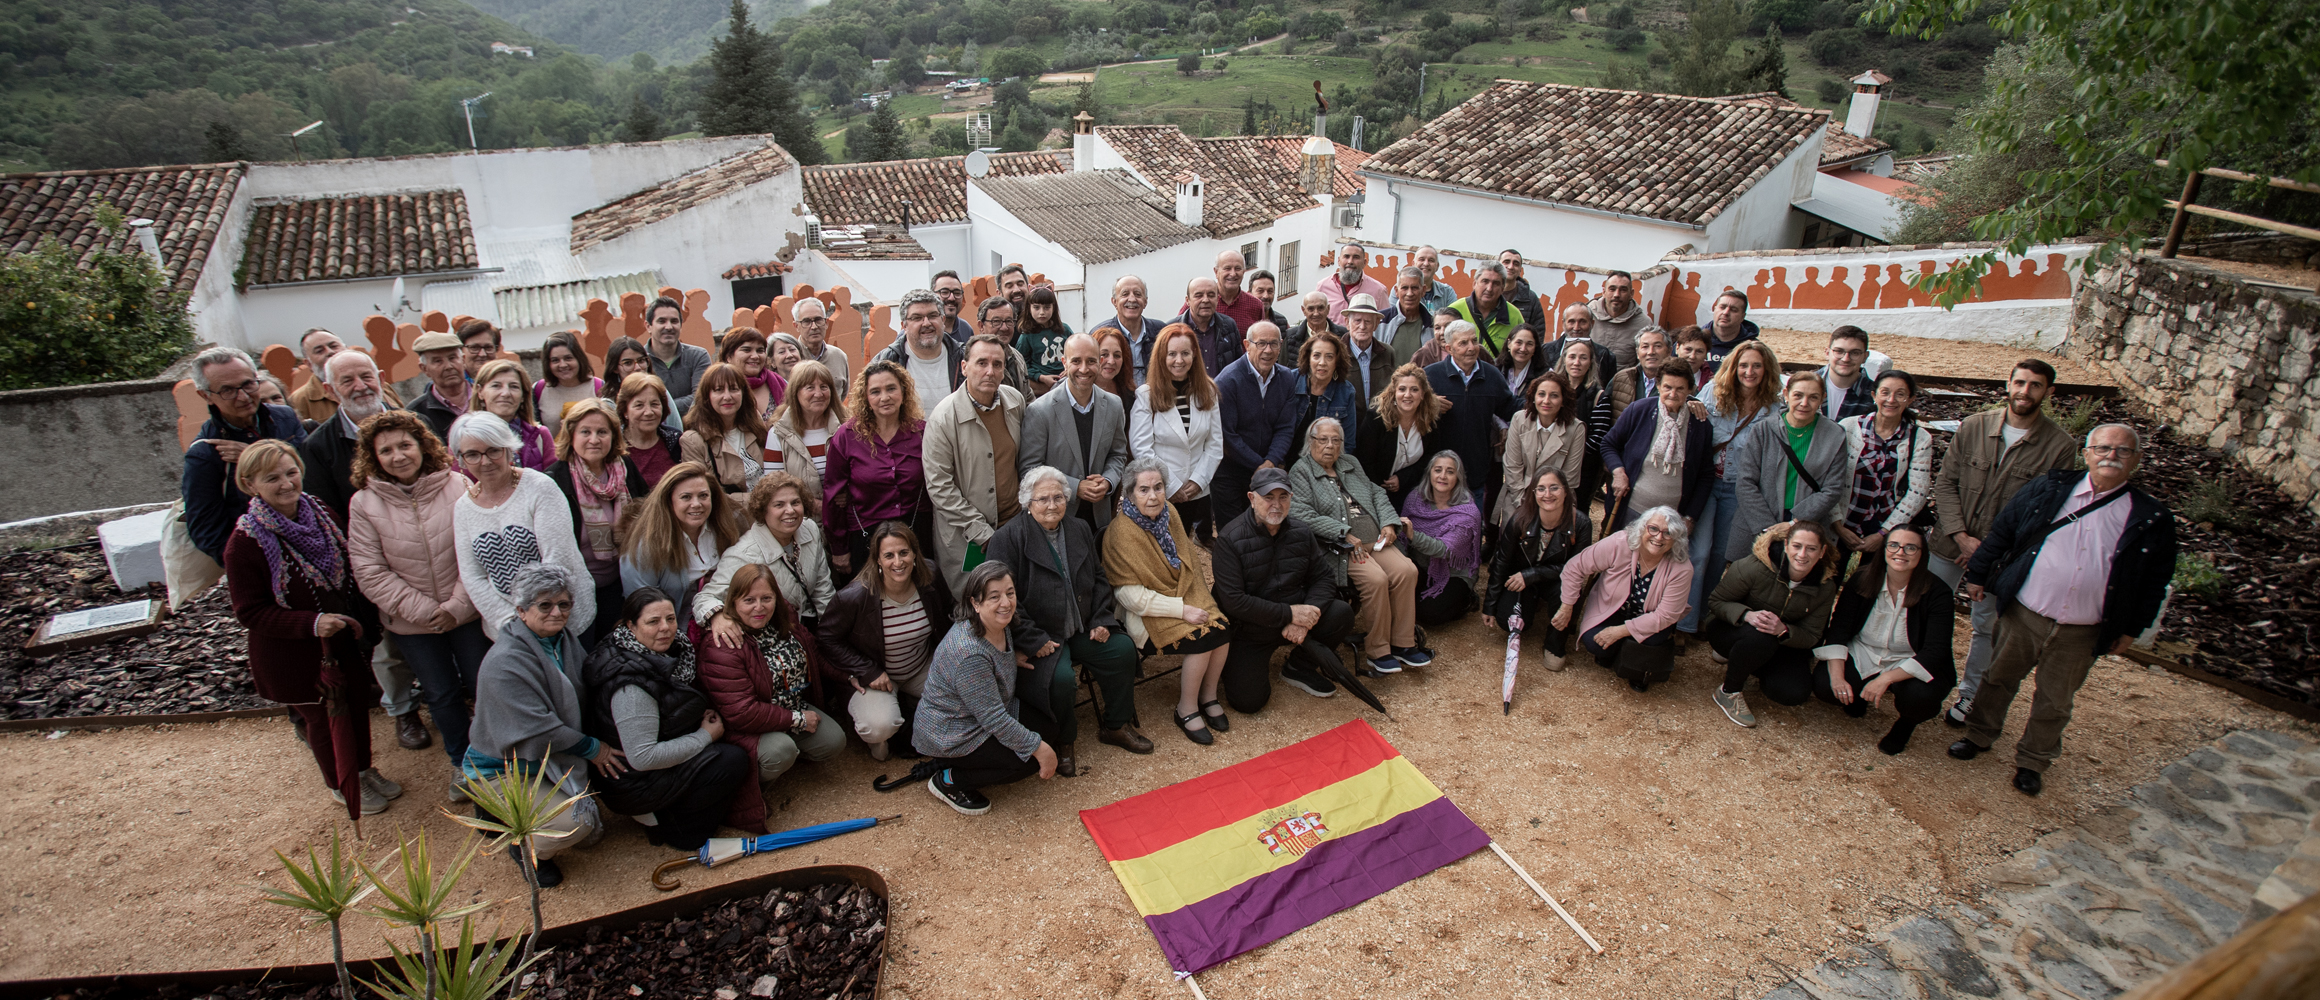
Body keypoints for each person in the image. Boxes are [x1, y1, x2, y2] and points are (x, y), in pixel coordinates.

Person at [1951, 424, 2177, 796]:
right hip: (2026, 613)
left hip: (2082, 628)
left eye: (2122, 451)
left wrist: (2133, 628)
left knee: (2055, 699)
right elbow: (2004, 532)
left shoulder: (2149, 517)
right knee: (1997, 678)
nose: (2111, 457)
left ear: (2135, 460)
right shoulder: (2050, 489)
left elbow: (2154, 580)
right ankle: (1979, 735)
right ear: (2086, 453)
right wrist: (1978, 574)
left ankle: (2033, 760)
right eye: (2103, 448)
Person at [225, 440, 391, 815]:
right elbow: (249, 611)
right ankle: (340, 782)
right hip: (294, 654)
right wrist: (313, 623)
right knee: (322, 718)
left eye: (291, 472)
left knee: (355, 707)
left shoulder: (322, 514)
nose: (286, 483)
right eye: (272, 478)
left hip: (340, 644)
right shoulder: (245, 542)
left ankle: (362, 770)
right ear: (250, 484)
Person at [348, 410, 487, 788]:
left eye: (405, 445)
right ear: (373, 457)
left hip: (466, 612)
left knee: (482, 683)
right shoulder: (363, 504)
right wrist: (427, 612)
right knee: (440, 692)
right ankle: (463, 763)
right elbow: (369, 570)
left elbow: (476, 549)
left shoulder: (458, 485)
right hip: (413, 623)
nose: (398, 456)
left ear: (422, 446)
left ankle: (494, 758)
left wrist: (458, 606)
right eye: (386, 450)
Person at [1934, 359, 2077, 724]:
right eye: (2020, 383)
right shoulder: (1974, 426)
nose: (2025, 392)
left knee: (1988, 627)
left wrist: (1988, 550)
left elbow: (2043, 510)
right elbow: (1946, 482)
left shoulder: (2059, 446)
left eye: (2035, 385)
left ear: (2049, 392)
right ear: (2008, 384)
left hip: (2002, 556)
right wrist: (1961, 536)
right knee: (1924, 608)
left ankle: (1970, 697)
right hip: (1951, 541)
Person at [987, 466, 1151, 770]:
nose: (1052, 505)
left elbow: (1099, 578)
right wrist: (1032, 639)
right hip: (1043, 636)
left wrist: (1102, 618)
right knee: (1061, 679)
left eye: (1058, 497)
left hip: (1083, 626)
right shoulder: (1007, 539)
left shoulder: (1078, 529)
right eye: (1043, 499)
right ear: (1027, 502)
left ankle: (1115, 725)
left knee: (1122, 651)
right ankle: (1064, 740)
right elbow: (1002, 601)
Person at [464, 561, 614, 886]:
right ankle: (522, 844)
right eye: (544, 605)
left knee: (590, 834)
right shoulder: (504, 663)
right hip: (504, 767)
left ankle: (516, 815)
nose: (557, 612)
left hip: (545, 760)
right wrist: (595, 749)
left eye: (564, 604)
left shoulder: (564, 641)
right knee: (578, 825)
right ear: (521, 610)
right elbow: (540, 729)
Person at [579, 588, 751, 850]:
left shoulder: (660, 650)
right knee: (732, 761)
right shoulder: (630, 688)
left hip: (648, 767)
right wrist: (705, 736)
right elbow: (643, 757)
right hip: (636, 783)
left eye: (670, 619)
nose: (666, 628)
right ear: (630, 625)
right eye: (653, 622)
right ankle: (664, 822)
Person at [697, 563, 844, 829]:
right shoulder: (722, 645)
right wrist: (797, 720)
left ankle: (781, 759)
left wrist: (852, 676)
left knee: (834, 741)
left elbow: (815, 654)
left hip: (788, 706)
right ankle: (752, 782)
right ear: (733, 601)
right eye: (749, 600)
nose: (759, 607)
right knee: (781, 751)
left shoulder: (783, 620)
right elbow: (742, 712)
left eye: (767, 598)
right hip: (745, 728)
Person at [915, 561, 1061, 814]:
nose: (1006, 603)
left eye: (1010, 593)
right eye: (994, 597)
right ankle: (949, 780)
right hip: (954, 731)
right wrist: (1038, 749)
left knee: (1049, 730)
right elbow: (994, 719)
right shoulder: (970, 654)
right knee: (1025, 761)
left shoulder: (998, 623)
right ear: (975, 602)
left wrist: (1010, 656)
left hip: (984, 713)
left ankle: (971, 766)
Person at [1105, 459, 1234, 741]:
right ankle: (1186, 709)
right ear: (1129, 494)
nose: (1153, 496)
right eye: (1143, 490)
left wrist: (1197, 601)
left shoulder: (1170, 512)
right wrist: (1182, 610)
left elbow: (1189, 561)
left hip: (1184, 597)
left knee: (1221, 629)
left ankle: (1208, 697)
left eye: (1158, 487)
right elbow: (1129, 596)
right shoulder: (1119, 533)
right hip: (1144, 616)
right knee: (1203, 638)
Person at [1287, 420, 1425, 674]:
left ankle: (1403, 643)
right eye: (1323, 440)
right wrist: (1342, 532)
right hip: (1342, 548)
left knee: (1408, 571)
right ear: (1311, 442)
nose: (1330, 446)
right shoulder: (1301, 471)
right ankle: (1378, 650)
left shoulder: (1351, 463)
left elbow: (1376, 494)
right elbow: (1301, 514)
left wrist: (1389, 523)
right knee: (1376, 580)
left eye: (1336, 440)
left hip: (1376, 539)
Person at [449, 412, 595, 643]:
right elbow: (473, 576)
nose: (485, 461)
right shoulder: (463, 508)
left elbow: (558, 558)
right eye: (473, 455)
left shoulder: (539, 488)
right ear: (461, 460)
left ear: (509, 449)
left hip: (564, 621)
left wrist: (539, 617)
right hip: (511, 632)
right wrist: (513, 623)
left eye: (493, 450)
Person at [1812, 527, 1957, 755]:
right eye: (1894, 545)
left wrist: (1886, 679)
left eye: (1910, 547)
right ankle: (1860, 696)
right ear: (1884, 549)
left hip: (1908, 659)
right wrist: (1838, 678)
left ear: (1922, 553)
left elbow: (1935, 650)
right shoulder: (1861, 579)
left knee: (1920, 698)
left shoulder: (1937, 592)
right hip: (1865, 651)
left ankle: (1905, 725)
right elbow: (1838, 629)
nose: (1901, 552)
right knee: (1826, 686)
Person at [819, 521, 950, 760]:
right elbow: (826, 638)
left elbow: (948, 615)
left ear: (914, 553)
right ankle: (891, 720)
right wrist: (866, 670)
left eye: (904, 553)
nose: (898, 562)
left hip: (921, 667)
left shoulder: (929, 576)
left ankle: (912, 702)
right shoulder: (854, 597)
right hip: (878, 676)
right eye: (888, 555)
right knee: (879, 728)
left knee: (966, 700)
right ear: (877, 560)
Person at [1682, 339, 1782, 640]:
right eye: (1743, 365)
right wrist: (1691, 401)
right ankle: (1683, 621)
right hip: (1708, 481)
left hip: (1741, 487)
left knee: (1721, 555)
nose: (1749, 371)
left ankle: (1704, 616)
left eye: (1756, 366)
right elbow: (1692, 414)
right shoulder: (1714, 391)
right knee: (1698, 551)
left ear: (1766, 370)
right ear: (1733, 367)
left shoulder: (1774, 407)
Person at [1704, 520, 1843, 728]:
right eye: (1797, 546)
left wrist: (1784, 630)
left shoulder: (1825, 587)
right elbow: (1716, 601)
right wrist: (1746, 615)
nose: (1802, 555)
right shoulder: (1754, 566)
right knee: (1760, 636)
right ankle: (1729, 691)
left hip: (1780, 644)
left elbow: (1812, 635)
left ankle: (1746, 665)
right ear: (1786, 545)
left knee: (1792, 693)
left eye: (1811, 549)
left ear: (1822, 552)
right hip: (1733, 630)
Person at [184, 346, 308, 565]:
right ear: (206, 396)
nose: (243, 397)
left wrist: (254, 456)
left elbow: (312, 472)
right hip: (260, 558)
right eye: (227, 390)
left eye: (248, 384)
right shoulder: (205, 453)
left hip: (311, 537)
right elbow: (206, 531)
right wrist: (251, 566)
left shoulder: (285, 418)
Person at [924, 335, 1028, 593]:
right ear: (964, 367)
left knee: (1014, 601)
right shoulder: (943, 418)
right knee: (975, 605)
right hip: (967, 536)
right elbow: (939, 487)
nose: (990, 371)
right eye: (981, 362)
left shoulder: (1015, 402)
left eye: (997, 364)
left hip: (1013, 527)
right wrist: (980, 530)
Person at [541, 398, 649, 648]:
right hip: (576, 589)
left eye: (602, 432)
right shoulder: (555, 479)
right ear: (571, 435)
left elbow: (645, 512)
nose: (594, 439)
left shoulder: (625, 468)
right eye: (585, 432)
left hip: (622, 580)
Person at [1554, 506, 1691, 692]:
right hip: (1612, 609)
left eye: (1668, 533)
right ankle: (1617, 655)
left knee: (1649, 643)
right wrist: (1567, 605)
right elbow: (1575, 567)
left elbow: (1665, 616)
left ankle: (1637, 668)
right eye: (1653, 529)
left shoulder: (1682, 568)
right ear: (1642, 528)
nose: (1659, 537)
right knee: (1594, 641)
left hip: (1650, 620)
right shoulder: (1620, 543)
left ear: (1676, 539)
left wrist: (1619, 632)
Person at [1726, 371, 1853, 563]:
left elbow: (1832, 489)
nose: (1804, 403)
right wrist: (1769, 528)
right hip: (1758, 522)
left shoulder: (1835, 435)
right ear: (1786, 394)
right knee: (1747, 582)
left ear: (1822, 399)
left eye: (1813, 397)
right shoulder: (1763, 429)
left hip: (1807, 525)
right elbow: (1745, 482)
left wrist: (1795, 523)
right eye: (1798, 395)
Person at [824, 360, 932, 577]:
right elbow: (833, 496)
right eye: (875, 391)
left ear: (903, 391)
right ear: (866, 397)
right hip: (865, 536)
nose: (885, 397)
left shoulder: (922, 432)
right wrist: (839, 549)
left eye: (891, 388)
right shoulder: (847, 436)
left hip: (915, 531)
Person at [699, 473, 837, 639]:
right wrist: (717, 616)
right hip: (774, 640)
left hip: (811, 630)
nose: (790, 510)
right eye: (779, 505)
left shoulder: (810, 529)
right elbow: (706, 598)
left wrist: (832, 635)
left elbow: (823, 590)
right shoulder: (742, 554)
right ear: (763, 510)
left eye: (795, 502)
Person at [1019, 334, 1130, 534]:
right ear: (1064, 362)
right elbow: (1030, 469)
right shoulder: (1040, 411)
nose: (1084, 369)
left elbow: (1118, 454)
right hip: (1056, 520)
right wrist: (1075, 487)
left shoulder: (1113, 405)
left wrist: (1108, 481)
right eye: (1076, 361)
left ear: (1100, 362)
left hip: (1099, 518)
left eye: (1091, 361)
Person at [1486, 468, 1593, 669]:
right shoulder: (1520, 519)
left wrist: (1533, 574)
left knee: (1567, 591)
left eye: (1554, 488)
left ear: (1566, 492)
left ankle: (1555, 645)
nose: (1548, 494)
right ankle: (1531, 604)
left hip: (1556, 580)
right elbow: (1502, 561)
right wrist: (1489, 605)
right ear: (1533, 494)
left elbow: (1577, 569)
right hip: (1521, 578)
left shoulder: (1581, 524)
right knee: (1506, 621)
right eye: (1541, 489)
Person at [1128, 323, 1225, 540]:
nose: (1179, 360)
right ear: (1162, 357)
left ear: (1194, 356)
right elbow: (1142, 448)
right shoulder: (1146, 395)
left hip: (1196, 490)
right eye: (1172, 354)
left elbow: (1215, 444)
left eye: (1185, 353)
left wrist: (1198, 481)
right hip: (1159, 492)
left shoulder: (1207, 391)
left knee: (1183, 546)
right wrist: (1171, 486)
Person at [1602, 359, 1716, 535]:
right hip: (1631, 507)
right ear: (1658, 385)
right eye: (1668, 387)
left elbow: (1705, 474)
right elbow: (1609, 444)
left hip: (1672, 519)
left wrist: (1691, 517)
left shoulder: (1700, 425)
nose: (1672, 394)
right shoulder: (1639, 410)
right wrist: (1618, 472)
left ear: (1690, 390)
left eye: (1680, 389)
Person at [1836, 370, 1934, 564]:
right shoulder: (1849, 427)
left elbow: (1918, 492)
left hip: (1885, 522)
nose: (1891, 400)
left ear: (1910, 399)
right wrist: (1837, 526)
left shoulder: (1919, 438)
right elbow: (1828, 479)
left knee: (1868, 585)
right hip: (1844, 519)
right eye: (1885, 392)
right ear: (1874, 395)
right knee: (1828, 579)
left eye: (1900, 394)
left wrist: (1883, 533)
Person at [1213, 320, 1301, 531]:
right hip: (1230, 471)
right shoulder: (1228, 380)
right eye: (1261, 343)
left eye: (1273, 344)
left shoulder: (1286, 378)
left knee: (1263, 530)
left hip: (1267, 468)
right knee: (1233, 533)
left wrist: (1270, 463)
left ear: (1281, 345)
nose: (1268, 350)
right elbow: (1227, 435)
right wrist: (1260, 466)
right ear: (1247, 345)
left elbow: (1286, 427)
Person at [1425, 321, 1519, 517]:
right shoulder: (1431, 376)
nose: (1471, 348)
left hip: (1474, 473)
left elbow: (1511, 408)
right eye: (1463, 343)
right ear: (1449, 348)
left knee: (1472, 527)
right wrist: (1428, 404)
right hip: (1438, 474)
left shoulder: (1491, 375)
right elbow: (1407, 407)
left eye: (1474, 341)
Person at [619, 461, 741, 605]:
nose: (696, 504)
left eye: (703, 495)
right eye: (686, 497)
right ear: (669, 501)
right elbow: (640, 606)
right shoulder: (645, 546)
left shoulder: (723, 527)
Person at [297, 349, 397, 520]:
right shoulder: (317, 447)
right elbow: (327, 513)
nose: (361, 386)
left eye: (366, 376)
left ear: (381, 379)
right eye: (347, 381)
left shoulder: (418, 424)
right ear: (331, 390)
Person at [1400, 451, 1485, 626]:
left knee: (1429, 614)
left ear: (1458, 477)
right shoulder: (1415, 498)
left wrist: (1413, 535)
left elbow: (1444, 549)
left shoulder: (1467, 513)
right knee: (1401, 599)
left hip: (1455, 572)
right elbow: (1402, 539)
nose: (1443, 476)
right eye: (1438, 470)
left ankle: (1467, 600)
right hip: (1422, 565)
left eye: (1450, 472)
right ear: (1430, 473)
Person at [1495, 371, 1586, 529]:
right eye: (1541, 394)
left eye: (1554, 395)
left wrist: (1545, 506)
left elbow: (1569, 477)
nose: (1546, 401)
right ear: (1533, 397)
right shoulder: (1519, 419)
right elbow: (1512, 466)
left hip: (1555, 501)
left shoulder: (1576, 429)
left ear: (1563, 400)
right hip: (1518, 496)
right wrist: (1523, 504)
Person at [763, 359, 846, 512]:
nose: (818, 393)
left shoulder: (847, 429)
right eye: (810, 387)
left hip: (843, 521)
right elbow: (772, 485)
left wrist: (851, 492)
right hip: (800, 521)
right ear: (795, 392)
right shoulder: (779, 434)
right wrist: (813, 504)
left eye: (824, 387)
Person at [1359, 364, 1441, 507]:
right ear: (1394, 392)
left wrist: (1403, 479)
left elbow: (1431, 457)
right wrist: (1382, 489)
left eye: (1414, 390)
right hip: (1375, 491)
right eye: (1402, 389)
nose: (1407, 395)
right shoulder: (1376, 418)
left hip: (1413, 490)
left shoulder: (1429, 420)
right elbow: (1365, 461)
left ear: (1422, 394)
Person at [678, 362, 765, 495]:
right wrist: (760, 503)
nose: (727, 396)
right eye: (718, 390)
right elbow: (706, 495)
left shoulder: (754, 423)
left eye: (733, 389)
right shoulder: (694, 440)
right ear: (707, 396)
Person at [288, 328, 403, 423]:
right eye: (319, 351)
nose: (329, 352)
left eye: (333, 346)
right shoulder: (300, 400)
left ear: (346, 348)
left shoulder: (380, 386)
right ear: (308, 364)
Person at [877, 289, 963, 414]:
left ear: (943, 320)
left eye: (933, 316)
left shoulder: (964, 358)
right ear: (904, 326)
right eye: (917, 318)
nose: (926, 323)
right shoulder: (886, 361)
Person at [1553, 339, 1616, 511]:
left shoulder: (1598, 397)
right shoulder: (1551, 391)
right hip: (1549, 461)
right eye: (1572, 357)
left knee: (1576, 510)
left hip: (1583, 469)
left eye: (1583, 358)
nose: (1577, 362)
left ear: (1591, 363)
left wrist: (1570, 456)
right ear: (1564, 359)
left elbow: (1598, 437)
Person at [471, 359, 554, 471]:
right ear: (480, 392)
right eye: (496, 386)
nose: (505, 393)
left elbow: (553, 481)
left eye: (514, 386)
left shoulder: (540, 435)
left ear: (523, 396)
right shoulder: (465, 436)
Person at [1296, 330, 1362, 458]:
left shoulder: (1346, 392)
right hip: (1285, 463)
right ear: (1308, 357)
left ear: (1337, 361)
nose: (1322, 362)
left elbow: (1347, 443)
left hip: (1325, 466)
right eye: (1316, 355)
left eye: (1329, 357)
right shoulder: (1289, 381)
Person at [643, 296, 714, 415]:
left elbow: (701, 398)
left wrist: (658, 408)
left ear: (681, 325)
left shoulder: (698, 356)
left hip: (694, 428)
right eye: (662, 321)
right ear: (648, 326)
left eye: (674, 321)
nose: (669, 327)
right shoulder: (639, 361)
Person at [1091, 274, 1166, 386]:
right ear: (1114, 301)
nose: (1132, 299)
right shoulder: (1099, 336)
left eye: (1138, 294)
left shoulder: (1160, 332)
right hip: (1117, 400)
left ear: (1145, 301)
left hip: (1155, 400)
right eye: (1125, 294)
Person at [617, 372, 685, 488]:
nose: (648, 412)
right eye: (639, 405)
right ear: (625, 411)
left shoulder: (676, 441)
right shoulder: (614, 447)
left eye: (654, 404)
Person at [532, 331, 603, 440]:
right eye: (555, 360)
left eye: (568, 358)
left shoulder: (599, 387)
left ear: (579, 358)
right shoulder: (538, 390)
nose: (563, 365)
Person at [1446, 263, 1526, 356]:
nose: (1489, 288)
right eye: (1485, 281)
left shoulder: (1514, 315)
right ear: (1475, 284)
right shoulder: (1455, 310)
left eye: (1496, 283)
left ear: (1502, 288)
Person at [406, 330, 471, 443]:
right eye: (438, 361)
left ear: (463, 360)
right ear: (424, 368)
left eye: (452, 358)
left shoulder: (486, 397)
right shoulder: (415, 413)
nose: (448, 366)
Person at [1170, 276, 1242, 378]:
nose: (1205, 300)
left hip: (1222, 392)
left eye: (1211, 295)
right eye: (1198, 296)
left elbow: (1238, 366)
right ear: (1187, 300)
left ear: (1217, 298)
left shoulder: (1229, 326)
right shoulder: (1171, 329)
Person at [718, 326, 789, 425]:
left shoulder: (780, 382)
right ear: (728, 356)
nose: (755, 356)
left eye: (760, 351)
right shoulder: (714, 385)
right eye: (746, 350)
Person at [1587, 270, 1652, 372]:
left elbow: (1645, 362)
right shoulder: (1586, 315)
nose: (1617, 295)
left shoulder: (1643, 324)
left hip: (1623, 384)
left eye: (1623, 290)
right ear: (1604, 292)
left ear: (1631, 293)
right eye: (1612, 289)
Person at [1339, 292, 1397, 403]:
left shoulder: (1387, 352)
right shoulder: (1336, 353)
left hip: (1379, 419)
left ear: (1375, 325)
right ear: (1347, 323)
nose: (1362, 326)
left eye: (1368, 321)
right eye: (1357, 320)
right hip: (1347, 419)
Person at [1015, 285, 1073, 395]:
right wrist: (1041, 377)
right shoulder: (1027, 336)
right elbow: (1022, 365)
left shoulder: (1065, 330)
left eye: (1047, 307)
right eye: (1036, 307)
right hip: (1041, 388)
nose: (1042, 312)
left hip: (1067, 382)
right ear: (1029, 308)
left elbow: (1076, 352)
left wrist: (1069, 369)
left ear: (1054, 308)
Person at [1811, 326, 1876, 421]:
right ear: (1827, 353)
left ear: (1865, 357)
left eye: (1855, 353)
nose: (1846, 359)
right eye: (1839, 351)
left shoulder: (1874, 395)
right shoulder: (1802, 385)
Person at [1318, 243, 1389, 327]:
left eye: (1356, 257)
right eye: (1346, 257)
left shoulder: (1378, 291)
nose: (1350, 261)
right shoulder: (1323, 286)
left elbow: (1385, 326)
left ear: (1364, 262)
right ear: (1338, 261)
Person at [1607, 327, 1673, 417]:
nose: (1651, 352)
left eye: (1658, 346)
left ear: (1669, 351)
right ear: (1637, 353)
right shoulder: (1621, 378)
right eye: (1645, 347)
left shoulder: (1679, 382)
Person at [1203, 248, 1267, 334]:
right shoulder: (1200, 302)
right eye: (1227, 268)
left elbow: (1260, 340)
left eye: (1237, 268)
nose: (1233, 274)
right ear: (1216, 272)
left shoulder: (1255, 305)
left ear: (1244, 272)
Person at [790, 296, 849, 388]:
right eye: (806, 321)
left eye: (818, 320)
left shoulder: (839, 356)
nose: (814, 327)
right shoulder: (790, 358)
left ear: (826, 323)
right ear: (796, 326)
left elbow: (843, 394)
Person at [1382, 266, 1435, 362]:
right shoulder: (1381, 321)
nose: (1409, 293)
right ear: (1396, 291)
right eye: (1404, 288)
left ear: (1423, 290)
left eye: (1414, 288)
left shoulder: (1433, 325)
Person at [1703, 289, 1761, 374]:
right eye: (1722, 307)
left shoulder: (1754, 348)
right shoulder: (1693, 341)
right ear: (1714, 309)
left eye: (1733, 310)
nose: (1726, 313)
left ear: (1742, 316)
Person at [1283, 290, 1345, 360]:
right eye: (1311, 309)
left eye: (1320, 308)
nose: (1316, 313)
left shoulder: (1343, 336)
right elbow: (1283, 367)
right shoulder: (1290, 337)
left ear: (1328, 309)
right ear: (1303, 310)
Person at [1496, 325, 1550, 401]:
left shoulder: (1544, 374)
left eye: (1529, 344)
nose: (1523, 349)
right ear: (1509, 343)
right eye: (1519, 342)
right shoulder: (1495, 368)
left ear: (1535, 347)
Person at [1089, 324, 1140, 405]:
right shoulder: (1081, 390)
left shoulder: (1129, 393)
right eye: (1104, 354)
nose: (1111, 361)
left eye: (1117, 355)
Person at [932, 270, 976, 347]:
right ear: (932, 295)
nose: (951, 298)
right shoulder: (924, 330)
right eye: (944, 292)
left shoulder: (966, 329)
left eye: (957, 293)